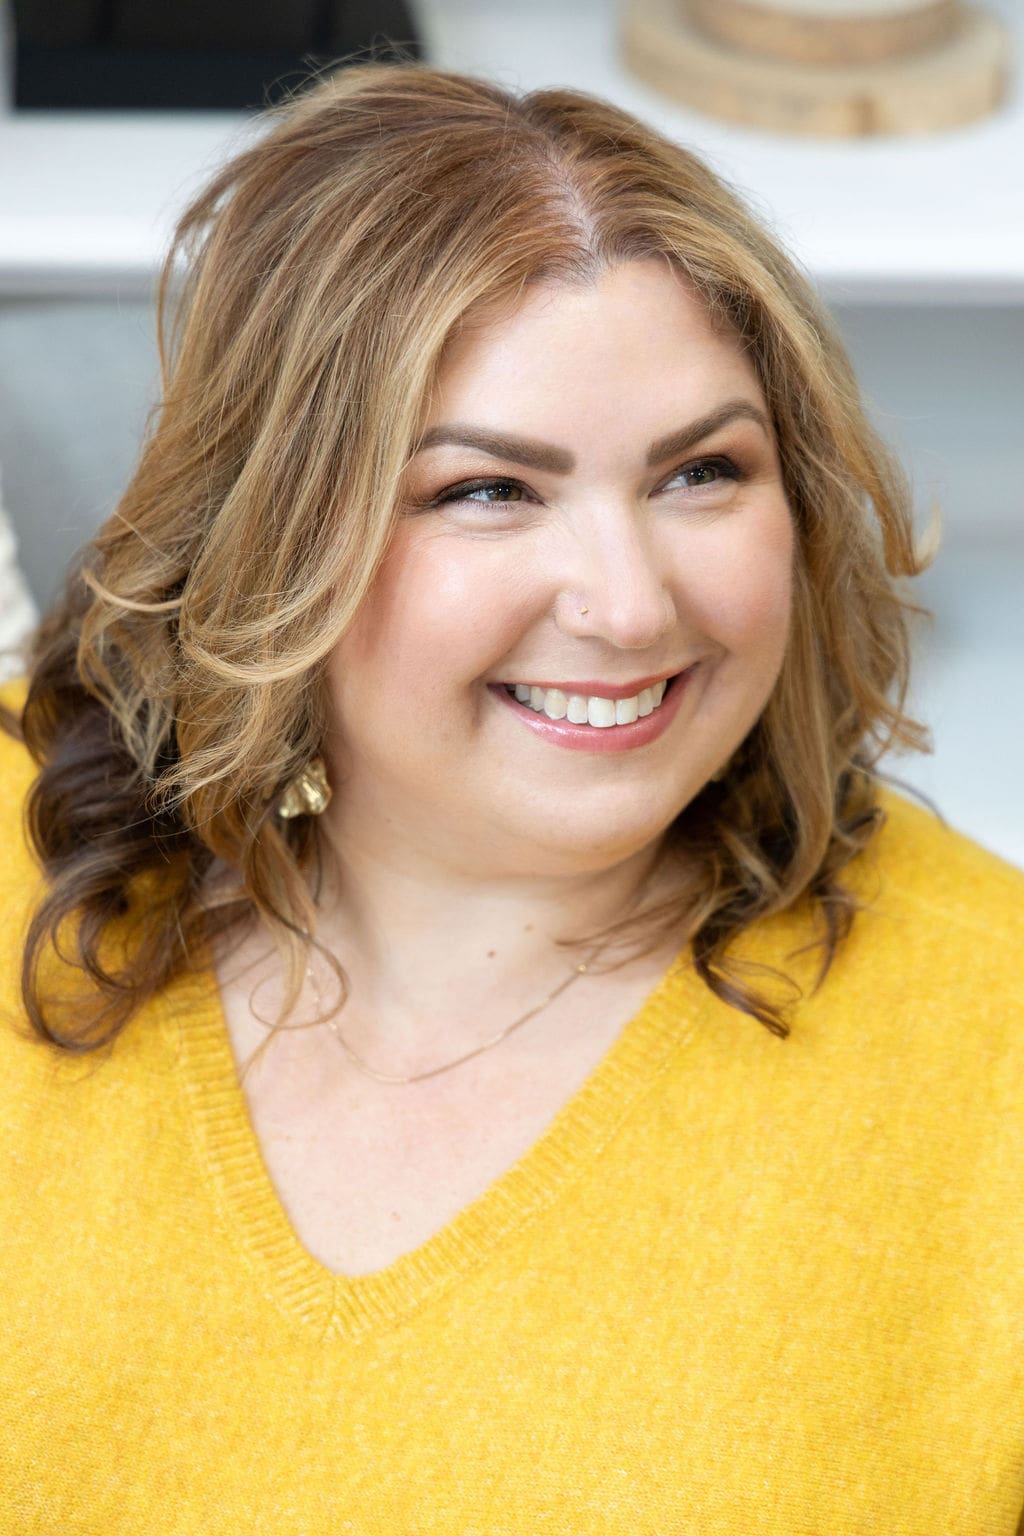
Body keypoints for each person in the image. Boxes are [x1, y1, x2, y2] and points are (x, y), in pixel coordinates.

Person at [1, 63, 1022, 1534]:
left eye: (702, 474)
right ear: (275, 534)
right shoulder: (24, 836)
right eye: (488, 490)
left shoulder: (997, 1050)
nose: (627, 604)